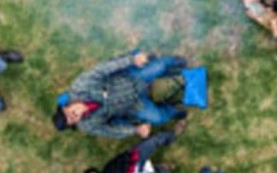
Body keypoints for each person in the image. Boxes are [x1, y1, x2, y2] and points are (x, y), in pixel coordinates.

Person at [52, 50, 187, 138]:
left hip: (131, 79)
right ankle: (174, 111)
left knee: (160, 67)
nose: (74, 115)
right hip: (133, 105)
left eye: (69, 113)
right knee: (158, 118)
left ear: (66, 106)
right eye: (72, 120)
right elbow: (111, 130)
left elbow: (103, 69)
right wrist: (135, 130)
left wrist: (132, 60)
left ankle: (174, 61)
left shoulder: (80, 86)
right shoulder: (87, 125)